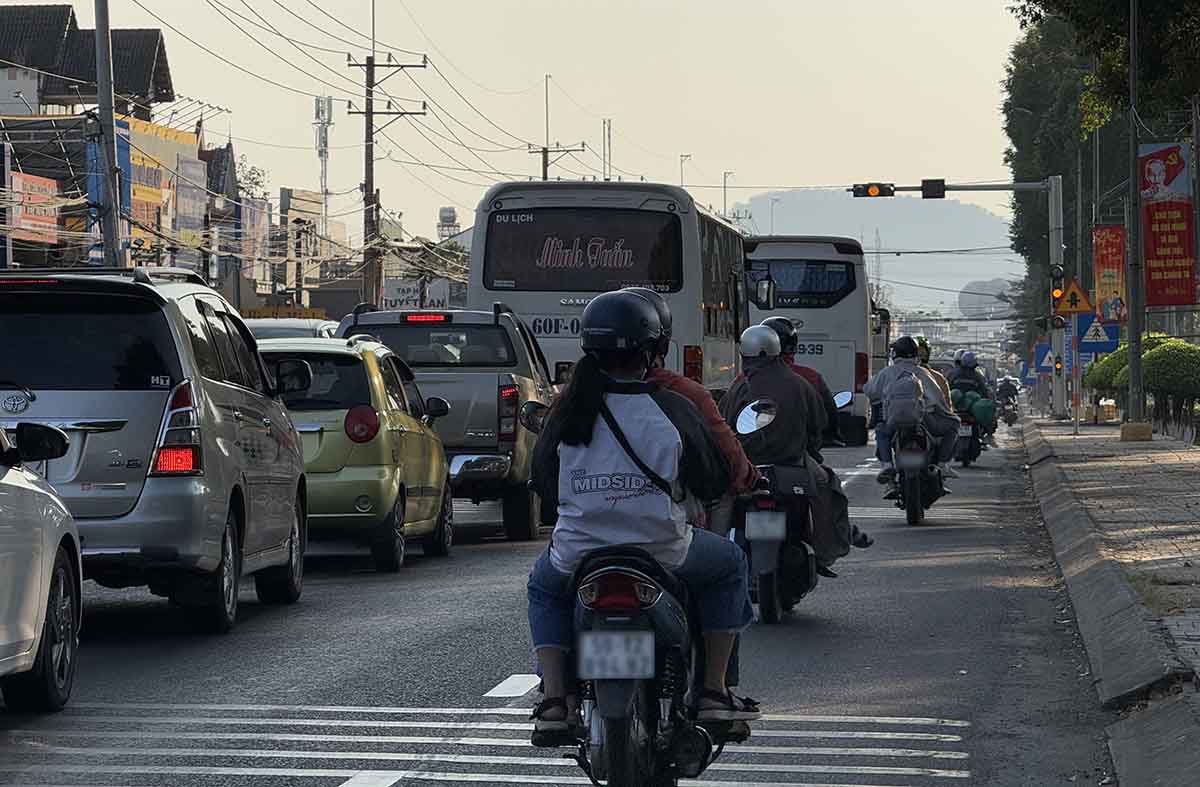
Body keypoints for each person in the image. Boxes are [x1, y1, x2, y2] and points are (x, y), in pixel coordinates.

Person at [526, 290, 760, 745]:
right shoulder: (675, 407)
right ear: (654, 349)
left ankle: (555, 699)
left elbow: (542, 481)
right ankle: (713, 690)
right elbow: (712, 481)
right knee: (730, 565)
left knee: (543, 587)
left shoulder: (568, 408)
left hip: (578, 554)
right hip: (664, 551)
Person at [720, 326, 862, 577]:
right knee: (828, 487)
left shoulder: (739, 386)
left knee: (717, 499)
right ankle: (826, 551)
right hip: (792, 465)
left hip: (746, 467)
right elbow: (819, 423)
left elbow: (724, 424)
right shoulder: (801, 383)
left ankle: (716, 554)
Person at [625, 287, 758, 498]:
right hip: (660, 524)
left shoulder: (575, 398)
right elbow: (725, 455)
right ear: (661, 342)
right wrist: (749, 477)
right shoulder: (683, 396)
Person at [864, 336, 962, 483]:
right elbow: (937, 399)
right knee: (954, 424)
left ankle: (886, 466)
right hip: (923, 419)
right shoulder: (923, 373)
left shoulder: (886, 373)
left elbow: (870, 390)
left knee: (881, 433)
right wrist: (947, 414)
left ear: (895, 354)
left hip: (893, 419)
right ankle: (943, 464)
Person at [761, 316, 844, 447]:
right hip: (797, 448)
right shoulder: (810, 377)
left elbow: (728, 412)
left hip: (755, 447)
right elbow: (828, 411)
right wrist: (831, 434)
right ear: (792, 345)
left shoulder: (743, 378)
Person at [915, 336, 952, 404]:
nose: (919, 355)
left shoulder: (899, 375)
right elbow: (948, 407)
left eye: (921, 352)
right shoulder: (938, 378)